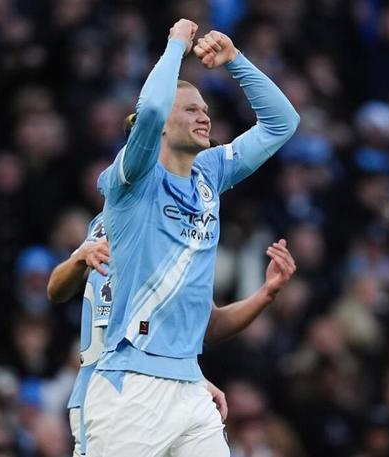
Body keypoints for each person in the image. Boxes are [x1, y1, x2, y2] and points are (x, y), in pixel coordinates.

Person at [87, 18, 299, 456]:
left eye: (205, 109)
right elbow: (149, 111)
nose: (204, 115)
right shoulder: (133, 177)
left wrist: (236, 61)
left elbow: (282, 123)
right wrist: (175, 45)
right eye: (189, 109)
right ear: (162, 127)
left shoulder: (210, 173)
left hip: (191, 383)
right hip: (133, 384)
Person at [47, 212, 296, 457]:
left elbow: (211, 324)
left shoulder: (183, 236)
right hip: (106, 390)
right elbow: (55, 290)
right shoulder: (109, 220)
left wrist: (266, 293)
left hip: (170, 390)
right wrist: (80, 259)